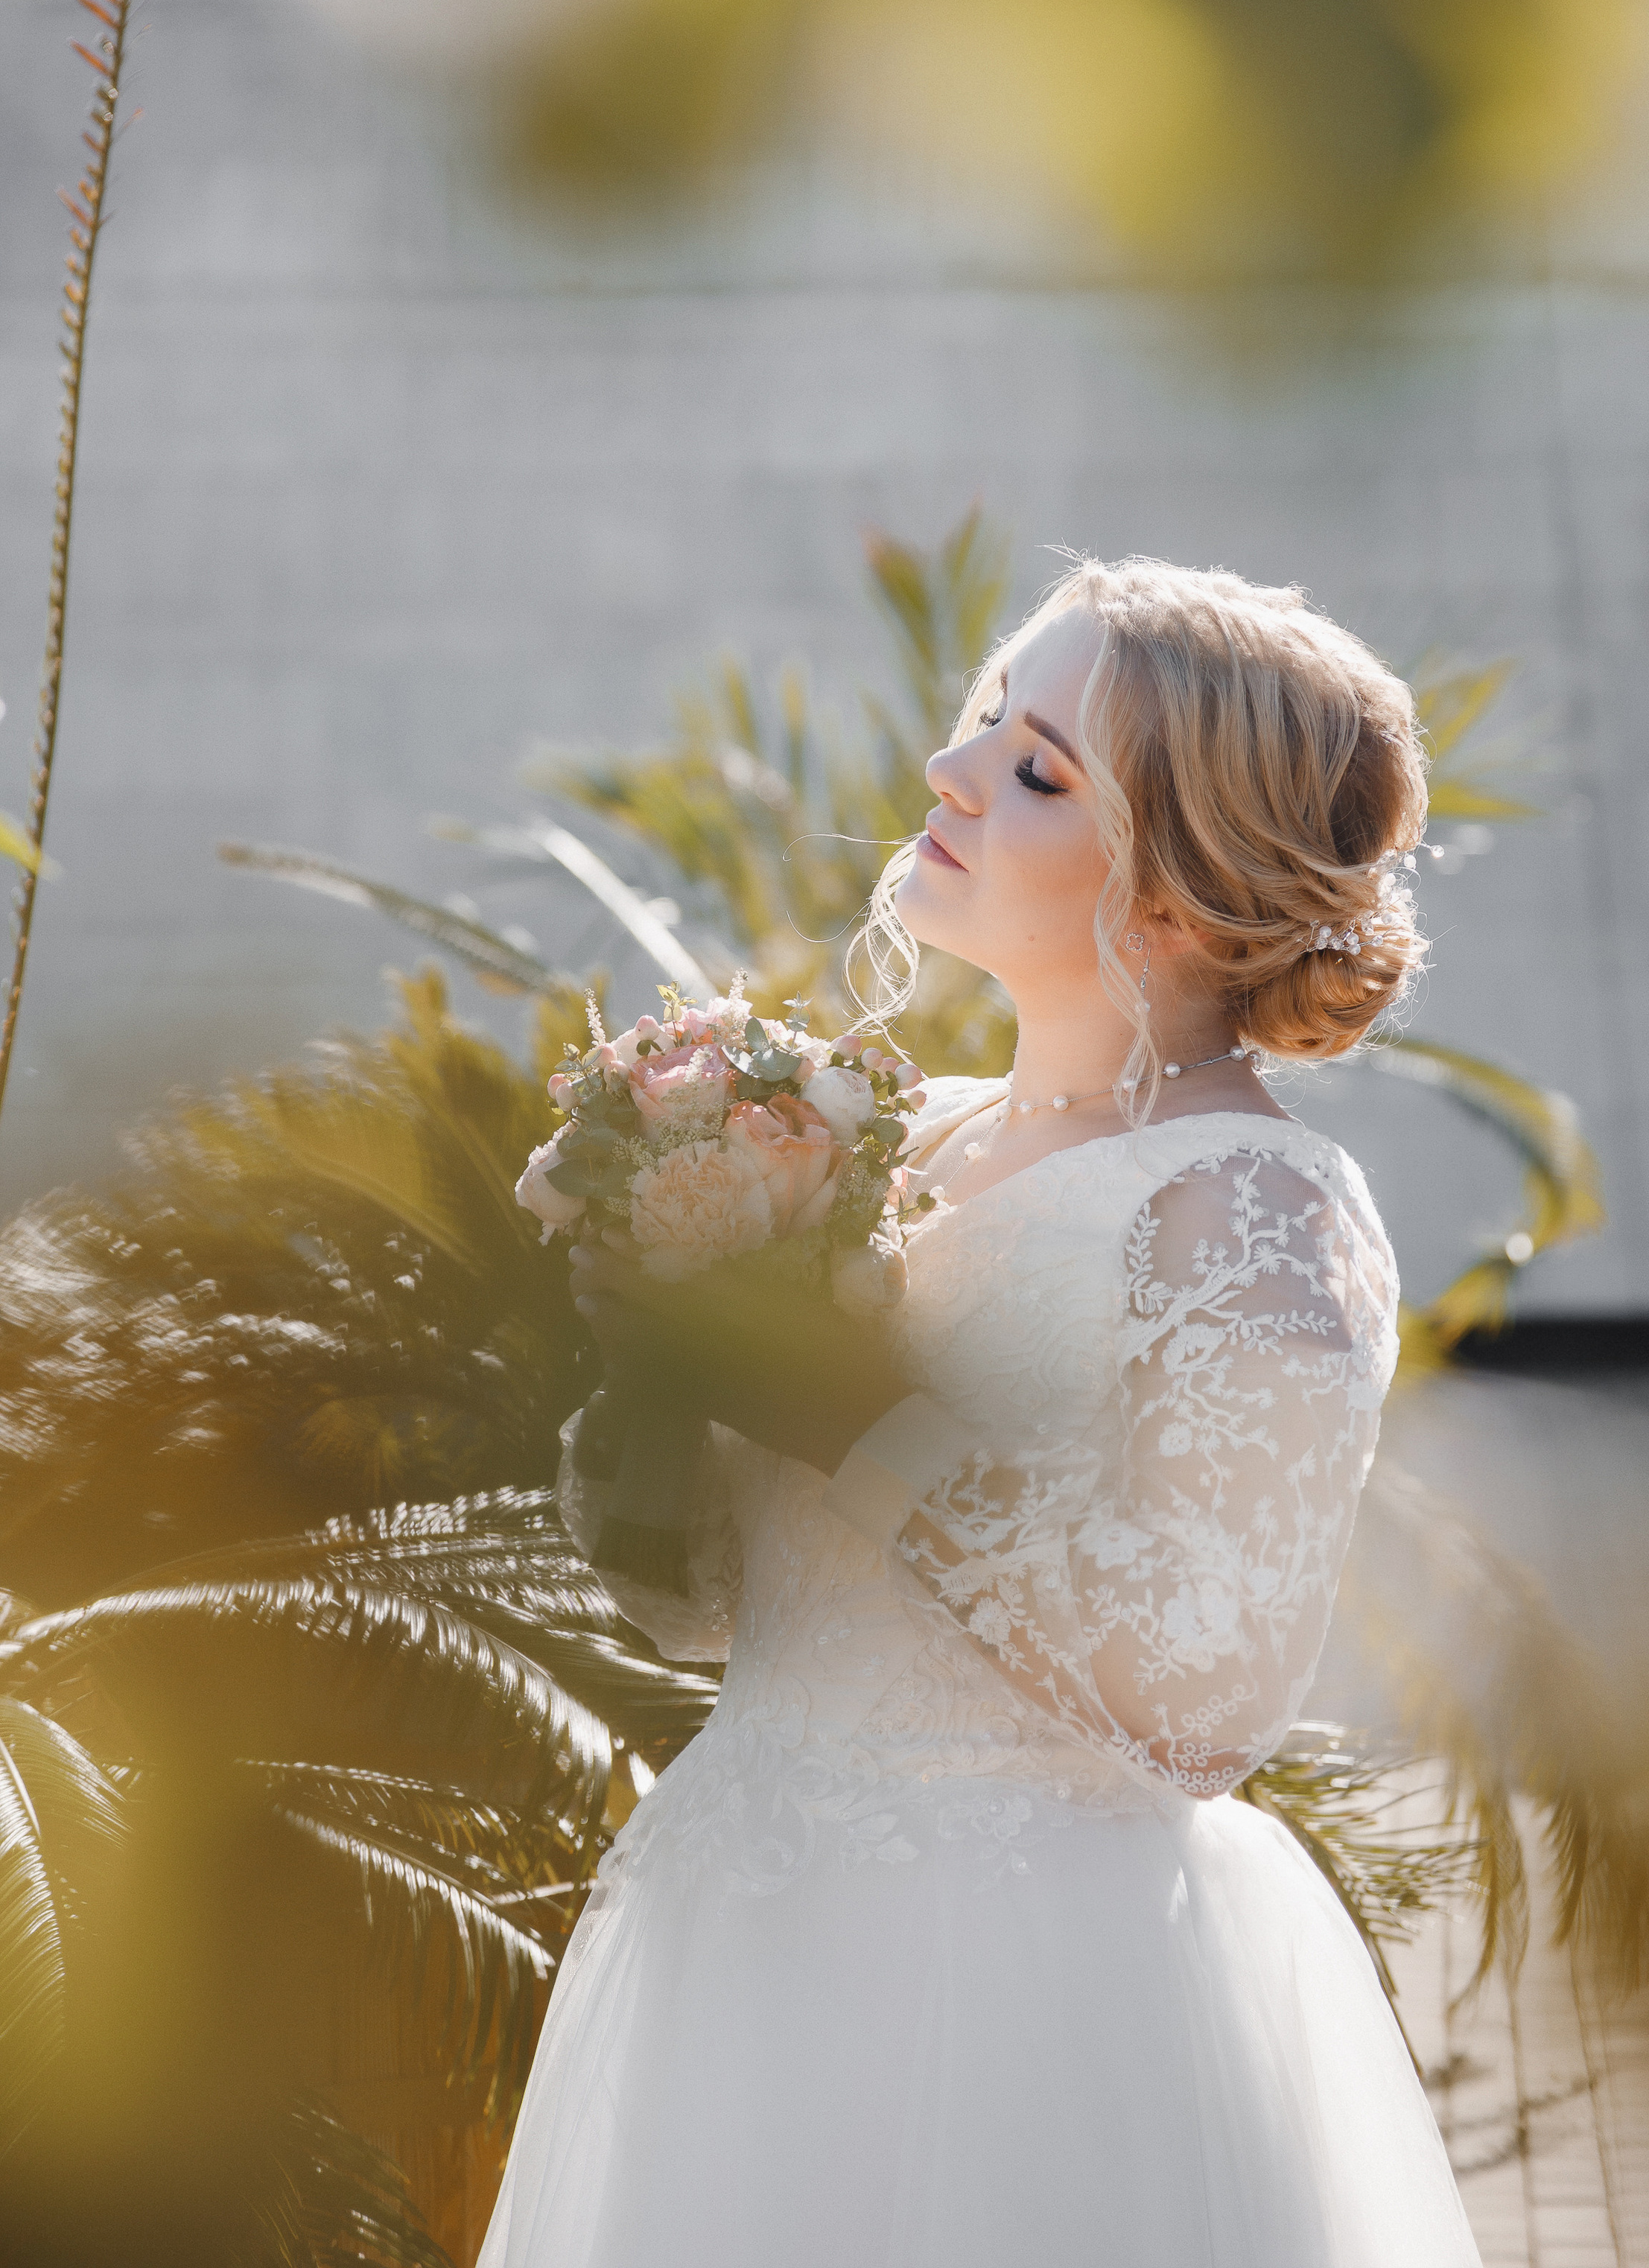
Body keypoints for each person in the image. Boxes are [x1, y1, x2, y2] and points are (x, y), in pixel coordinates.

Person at [477, 555, 1482, 2268]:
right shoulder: (897, 1140)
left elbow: (1206, 1702)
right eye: (983, 723)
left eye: (1035, 770)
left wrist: (852, 1422)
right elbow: (704, 1605)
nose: (949, 772)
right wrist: (654, 1390)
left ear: (1182, 896)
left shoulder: (1249, 1212)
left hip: (1031, 1989)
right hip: (736, 1938)